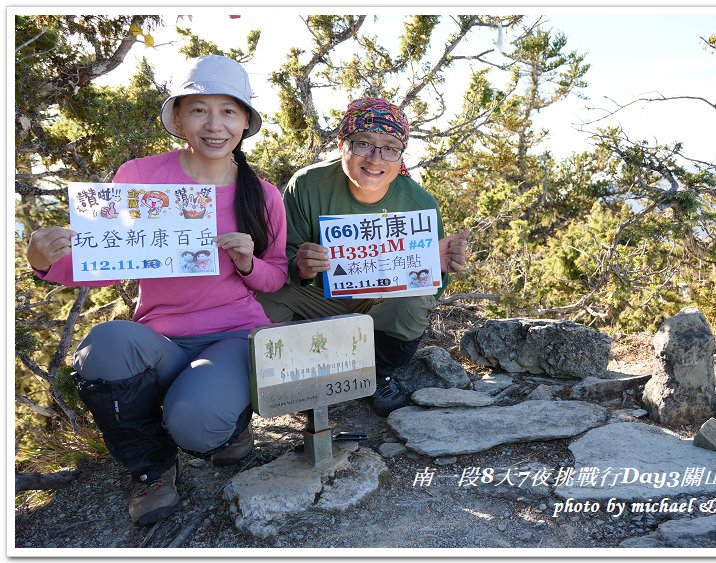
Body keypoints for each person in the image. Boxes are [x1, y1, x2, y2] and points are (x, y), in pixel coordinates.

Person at [26, 55, 288, 526]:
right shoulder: (141, 176)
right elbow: (107, 268)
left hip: (234, 335)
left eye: (228, 111)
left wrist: (248, 264)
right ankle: (152, 468)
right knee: (103, 347)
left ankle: (227, 423)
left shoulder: (262, 194)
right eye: (198, 109)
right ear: (179, 119)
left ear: (246, 121)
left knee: (196, 426)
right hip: (161, 339)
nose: (214, 125)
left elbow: (277, 276)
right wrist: (45, 263)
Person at [256, 97, 469, 417]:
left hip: (380, 304)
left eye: (390, 148)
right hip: (320, 299)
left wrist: (438, 267)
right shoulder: (307, 184)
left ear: (400, 156)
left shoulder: (419, 202)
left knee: (414, 300)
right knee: (265, 294)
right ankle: (302, 374)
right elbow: (278, 257)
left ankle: (375, 373)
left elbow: (432, 289)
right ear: (343, 145)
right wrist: (300, 266)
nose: (375, 158)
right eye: (363, 144)